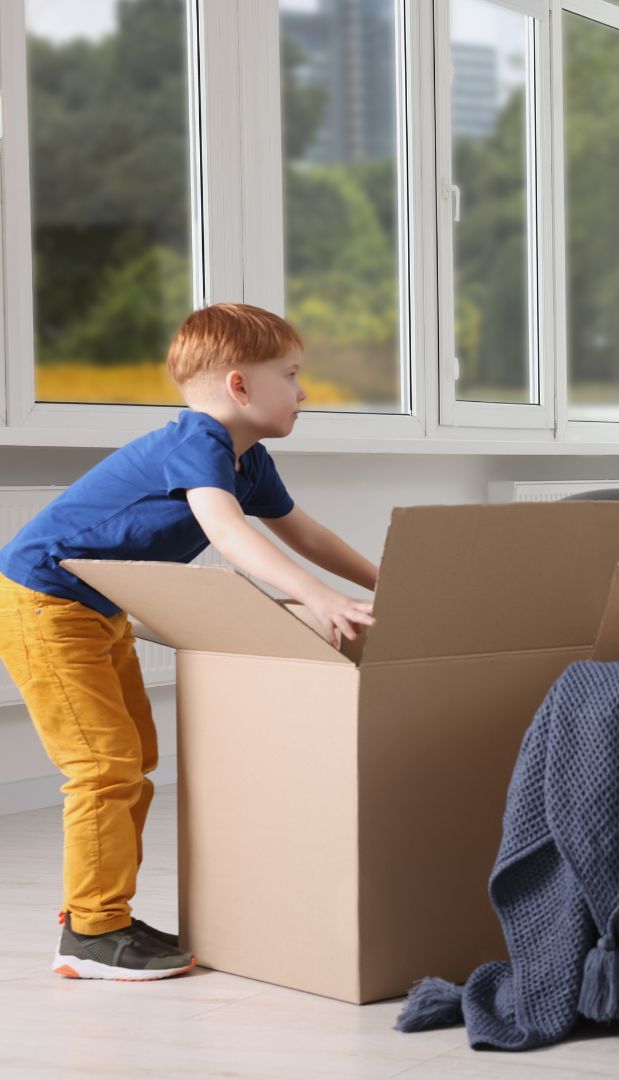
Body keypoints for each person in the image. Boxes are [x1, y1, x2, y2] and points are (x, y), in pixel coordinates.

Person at [0, 303, 379, 980]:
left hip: (96, 606)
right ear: (239, 386)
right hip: (43, 603)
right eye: (290, 375)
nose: (304, 391)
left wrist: (388, 580)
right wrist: (319, 598)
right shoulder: (197, 441)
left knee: (135, 756)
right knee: (104, 766)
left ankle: (103, 913)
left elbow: (306, 534)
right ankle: (90, 932)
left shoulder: (248, 459)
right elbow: (229, 535)